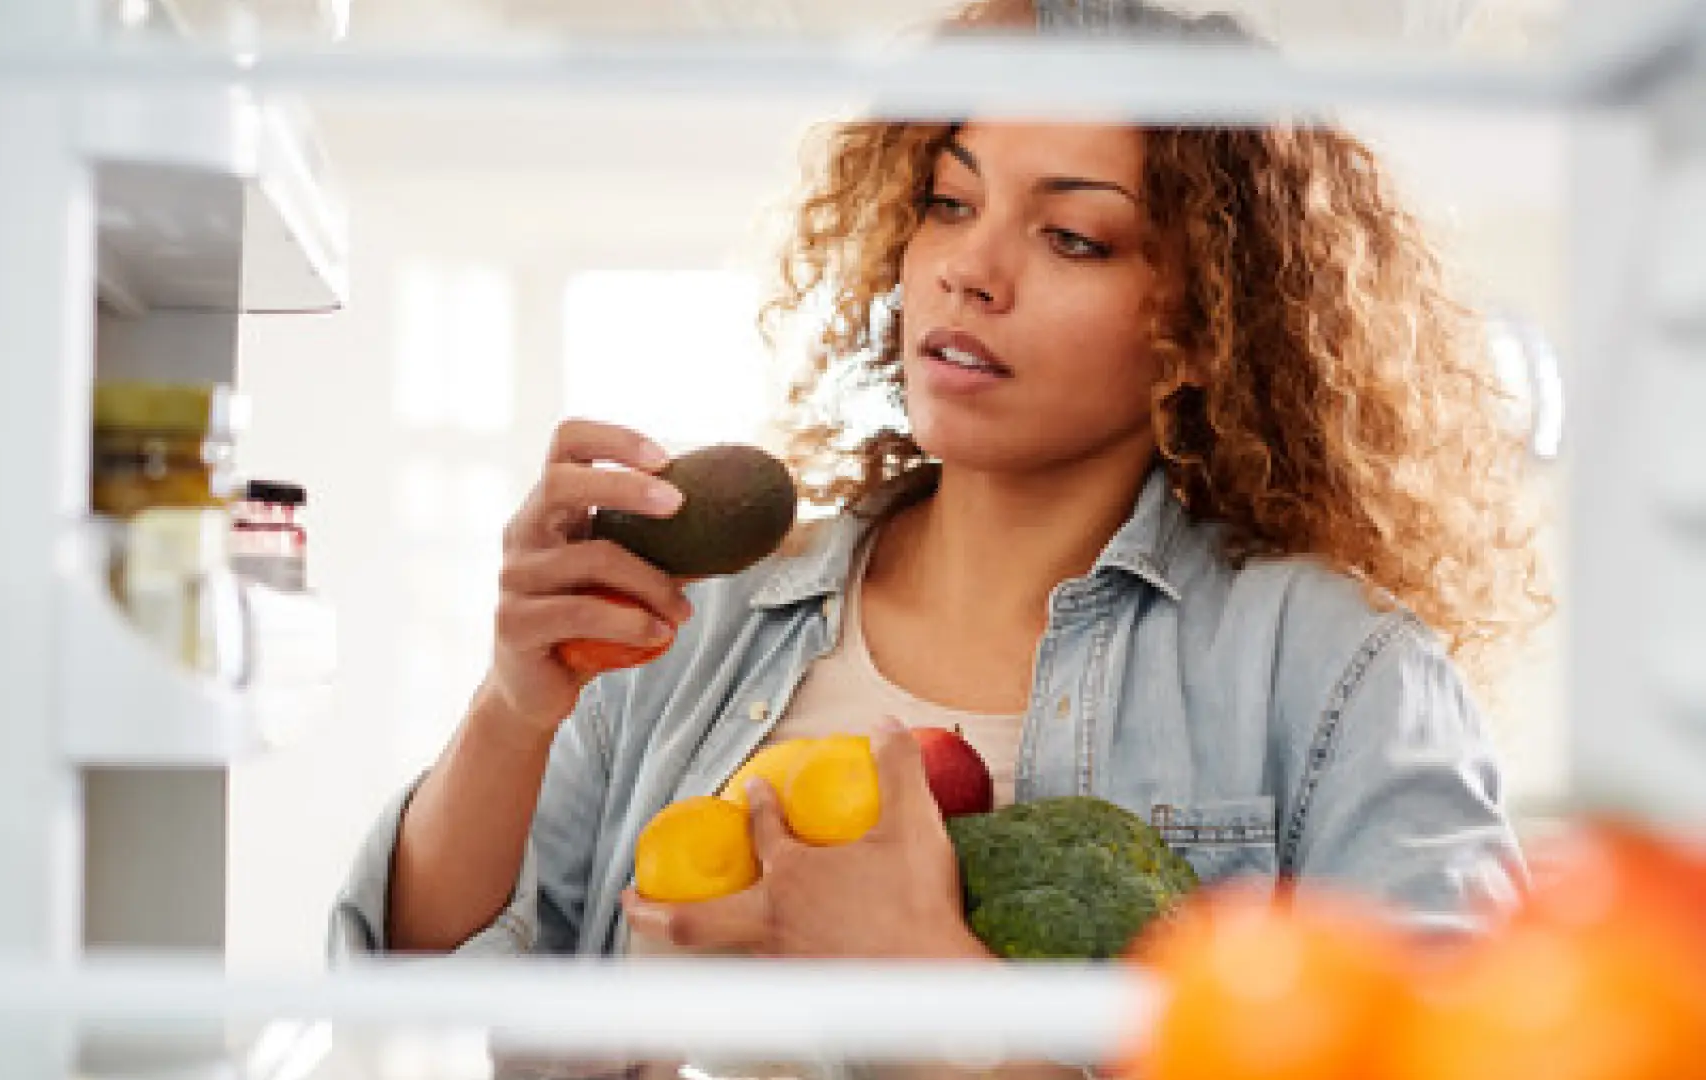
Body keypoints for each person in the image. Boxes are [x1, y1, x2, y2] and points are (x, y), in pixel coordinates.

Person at [331, 0, 1549, 971]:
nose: (970, 268)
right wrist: (514, 706)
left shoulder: (1333, 673)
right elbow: (418, 1003)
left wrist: (933, 994)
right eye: (949, 202)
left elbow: (1447, 1047)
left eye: (1072, 236)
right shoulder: (696, 621)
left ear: (1202, 328)